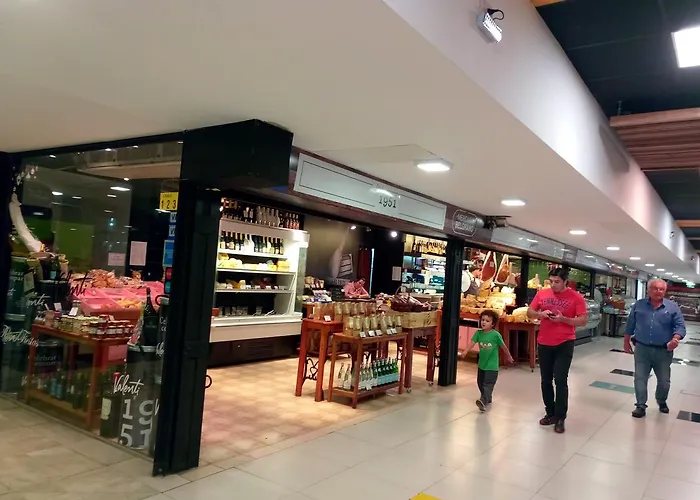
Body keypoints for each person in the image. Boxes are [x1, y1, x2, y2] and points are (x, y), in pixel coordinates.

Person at [527, 268, 587, 433]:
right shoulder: (542, 293)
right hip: (544, 342)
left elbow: (583, 320)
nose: (553, 285)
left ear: (565, 281)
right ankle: (550, 412)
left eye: (557, 282)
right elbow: (530, 312)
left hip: (564, 342)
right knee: (545, 380)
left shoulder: (576, 297)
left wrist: (563, 319)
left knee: (560, 379)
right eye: (551, 281)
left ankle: (560, 417)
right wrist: (540, 314)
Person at [624, 279, 685, 418]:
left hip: (663, 351)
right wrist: (626, 340)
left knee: (664, 381)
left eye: (661, 289)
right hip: (642, 348)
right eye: (655, 288)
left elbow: (680, 326)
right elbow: (631, 323)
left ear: (665, 291)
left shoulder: (672, 307)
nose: (658, 291)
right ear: (648, 290)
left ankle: (661, 400)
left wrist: (675, 339)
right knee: (640, 378)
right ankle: (640, 406)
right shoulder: (639, 305)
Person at [465, 310, 514, 411]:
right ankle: (487, 397)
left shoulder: (496, 335)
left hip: (492, 366)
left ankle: (483, 401)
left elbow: (503, 347)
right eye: (483, 320)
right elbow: (472, 343)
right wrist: (466, 351)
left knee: (488, 384)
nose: (484, 322)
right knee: (480, 383)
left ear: (493, 324)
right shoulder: (478, 333)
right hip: (481, 365)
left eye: (487, 321)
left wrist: (508, 356)